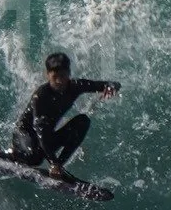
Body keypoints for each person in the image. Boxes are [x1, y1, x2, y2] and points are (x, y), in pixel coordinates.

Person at [8, 51, 118, 182]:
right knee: (34, 158)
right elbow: (40, 132)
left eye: (63, 76)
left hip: (45, 139)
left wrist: (112, 87)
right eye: (55, 77)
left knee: (83, 121)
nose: (60, 81)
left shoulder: (75, 86)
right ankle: (9, 153)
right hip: (24, 136)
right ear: (47, 75)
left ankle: (60, 165)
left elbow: (109, 84)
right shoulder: (41, 96)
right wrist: (52, 162)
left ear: (69, 74)